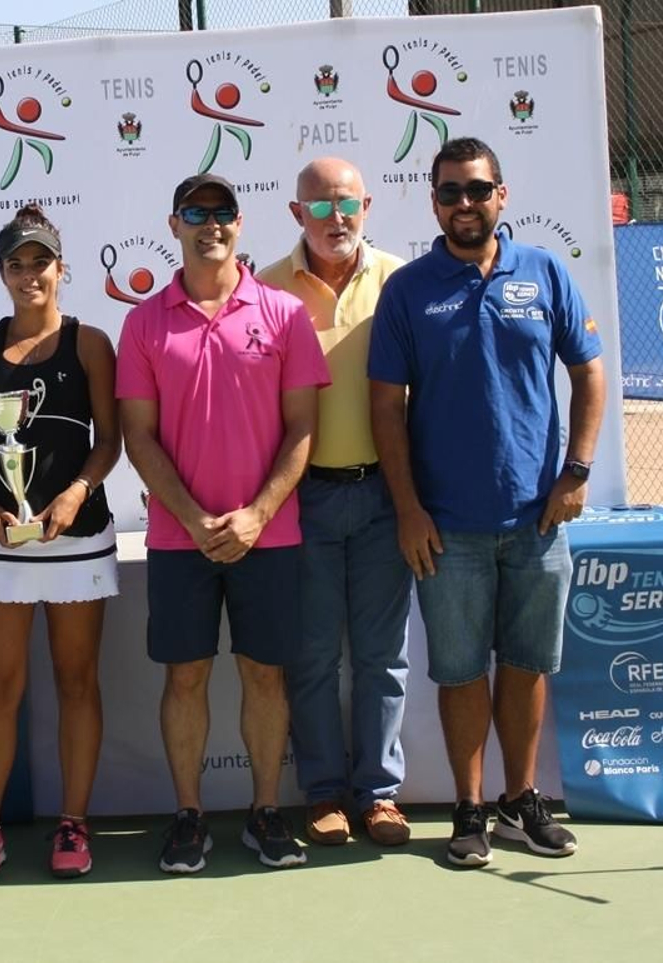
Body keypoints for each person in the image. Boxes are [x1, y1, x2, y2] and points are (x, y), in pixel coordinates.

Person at [368, 137, 604, 868]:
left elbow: (590, 374)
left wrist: (577, 471)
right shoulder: (408, 289)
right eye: (449, 193)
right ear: (432, 201)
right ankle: (469, 809)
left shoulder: (546, 272)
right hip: (447, 526)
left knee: (529, 665)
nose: (463, 204)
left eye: (476, 190)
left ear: (502, 195)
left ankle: (519, 799)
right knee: (461, 670)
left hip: (538, 518)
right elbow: (386, 408)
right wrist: (409, 508)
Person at [118, 173, 328, 873]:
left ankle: (266, 811)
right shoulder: (144, 322)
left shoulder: (283, 312)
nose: (211, 223)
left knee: (266, 676)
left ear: (240, 223)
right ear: (173, 223)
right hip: (182, 538)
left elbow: (303, 428)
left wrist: (257, 514)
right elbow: (138, 437)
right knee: (185, 678)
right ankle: (188, 815)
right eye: (196, 212)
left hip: (269, 536)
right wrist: (198, 517)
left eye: (223, 211)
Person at [0, 205, 121, 883]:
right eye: (16, 264)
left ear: (61, 267)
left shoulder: (90, 343)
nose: (29, 275)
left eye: (40, 262)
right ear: (1, 272)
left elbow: (109, 439)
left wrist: (76, 491)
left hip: (78, 537)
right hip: (0, 542)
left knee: (78, 680)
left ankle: (73, 823)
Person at [256, 158, 414, 848]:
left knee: (382, 655)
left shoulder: (402, 282)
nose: (334, 219)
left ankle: (379, 795)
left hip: (386, 493)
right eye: (318, 208)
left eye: (345, 204)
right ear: (296, 215)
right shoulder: (263, 288)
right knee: (315, 655)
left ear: (367, 206)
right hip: (305, 499)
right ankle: (324, 793)